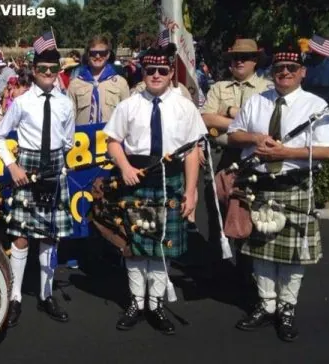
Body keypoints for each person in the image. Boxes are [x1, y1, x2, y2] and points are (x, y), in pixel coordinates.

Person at [227, 45, 329, 342]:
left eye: (292, 68)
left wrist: (285, 152)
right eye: (279, 68)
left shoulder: (315, 106)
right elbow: (233, 135)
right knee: (261, 252)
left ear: (303, 72)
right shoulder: (257, 102)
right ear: (272, 72)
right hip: (260, 184)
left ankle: (287, 308)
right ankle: (266, 305)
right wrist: (255, 138)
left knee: (293, 255)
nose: (285, 73)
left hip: (294, 184)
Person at [103, 44, 206, 335]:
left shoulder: (185, 106)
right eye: (151, 70)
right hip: (136, 180)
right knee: (136, 248)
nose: (156, 75)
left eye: (162, 70)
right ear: (143, 72)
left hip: (170, 181)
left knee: (162, 247)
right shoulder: (129, 105)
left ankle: (156, 304)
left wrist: (191, 192)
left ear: (171, 72)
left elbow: (192, 152)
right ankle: (137, 302)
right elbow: (112, 141)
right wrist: (125, 167)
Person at [0, 47, 75, 327]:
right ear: (34, 70)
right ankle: (15, 297)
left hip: (54, 168)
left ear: (58, 71)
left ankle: (46, 295)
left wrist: (58, 162)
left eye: (53, 69)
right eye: (42, 69)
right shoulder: (22, 102)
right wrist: (12, 166)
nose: (48, 73)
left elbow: (68, 140)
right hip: (26, 168)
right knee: (21, 236)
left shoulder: (65, 103)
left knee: (50, 235)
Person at [201, 38, 273, 171]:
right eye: (235, 58)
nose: (239, 61)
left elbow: (269, 124)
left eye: (244, 57)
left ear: (255, 60)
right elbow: (206, 118)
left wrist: (230, 111)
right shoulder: (219, 87)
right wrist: (244, 124)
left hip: (254, 153)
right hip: (220, 153)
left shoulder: (267, 89)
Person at [68, 35, 130, 125]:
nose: (97, 56)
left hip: (111, 133)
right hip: (82, 133)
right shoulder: (75, 84)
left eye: (102, 53)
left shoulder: (121, 83)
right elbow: (69, 119)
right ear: (88, 54)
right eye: (93, 53)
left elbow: (127, 116)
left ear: (108, 55)